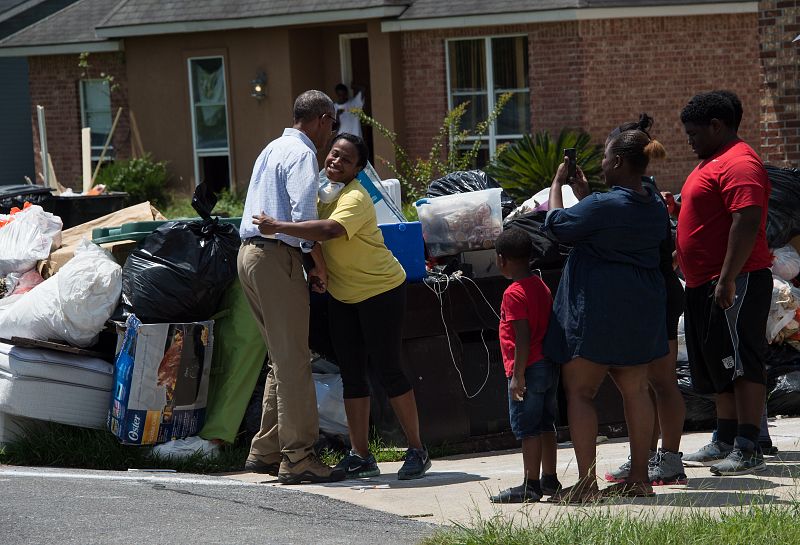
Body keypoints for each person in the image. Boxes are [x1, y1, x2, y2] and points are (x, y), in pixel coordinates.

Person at [251, 133, 431, 480]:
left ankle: (417, 449)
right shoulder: (318, 193)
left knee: (389, 369)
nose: (335, 161)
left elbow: (329, 230)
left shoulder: (356, 198)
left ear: (358, 170)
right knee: (351, 374)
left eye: (345, 160)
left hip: (381, 291)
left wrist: (278, 227)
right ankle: (361, 454)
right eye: (333, 154)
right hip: (343, 295)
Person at [543, 127, 670, 503]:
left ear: (616, 162)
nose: (600, 163)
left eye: (604, 157)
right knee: (636, 392)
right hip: (639, 309)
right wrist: (584, 197)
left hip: (597, 311)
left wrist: (557, 185)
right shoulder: (654, 204)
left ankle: (586, 485)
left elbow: (556, 226)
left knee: (581, 393)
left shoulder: (603, 205)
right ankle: (641, 479)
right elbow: (612, 226)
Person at [238, 89, 345, 485]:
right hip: (275, 258)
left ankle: (265, 450)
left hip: (249, 256)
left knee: (280, 360)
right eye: (332, 124)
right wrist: (319, 266)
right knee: (296, 361)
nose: (331, 134)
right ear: (319, 118)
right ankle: (299, 457)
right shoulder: (302, 155)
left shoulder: (271, 148)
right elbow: (304, 220)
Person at [676, 91, 772, 476]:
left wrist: (728, 278)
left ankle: (749, 445)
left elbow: (746, 220)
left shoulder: (740, 163)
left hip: (737, 280)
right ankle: (725, 439)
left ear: (717, 126)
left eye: (694, 133)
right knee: (721, 364)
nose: (690, 140)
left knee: (743, 362)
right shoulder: (712, 162)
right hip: (704, 282)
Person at [603, 115, 687, 487]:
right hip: (654, 293)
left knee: (661, 381)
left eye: (606, 154)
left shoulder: (643, 197)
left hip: (659, 295)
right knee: (649, 383)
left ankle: (668, 459)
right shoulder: (644, 193)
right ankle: (646, 457)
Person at [489, 228, 561, 503]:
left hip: (529, 368)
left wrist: (517, 376)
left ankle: (530, 485)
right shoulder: (540, 285)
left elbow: (522, 336)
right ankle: (550, 479)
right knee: (546, 423)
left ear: (501, 259)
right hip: (548, 365)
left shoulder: (513, 293)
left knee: (528, 428)